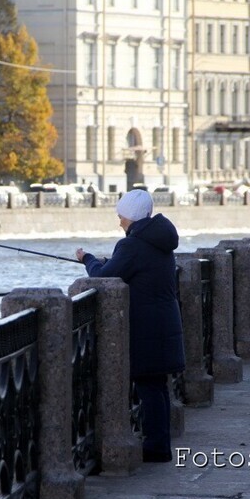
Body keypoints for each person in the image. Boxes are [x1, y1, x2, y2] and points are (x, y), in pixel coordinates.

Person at [75, 189, 185, 463]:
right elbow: (128, 269)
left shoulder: (132, 245)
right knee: (157, 385)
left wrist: (87, 259)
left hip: (146, 327)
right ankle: (159, 442)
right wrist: (107, 262)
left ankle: (157, 447)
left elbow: (103, 277)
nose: (119, 222)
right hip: (163, 321)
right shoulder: (158, 240)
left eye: (121, 216)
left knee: (148, 385)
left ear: (131, 217)